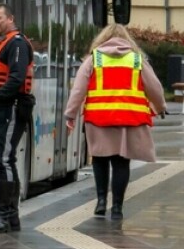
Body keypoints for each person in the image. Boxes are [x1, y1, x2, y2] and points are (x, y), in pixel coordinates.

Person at [64, 24, 167, 220]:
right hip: (128, 119)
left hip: (98, 118)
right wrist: (160, 107)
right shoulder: (137, 59)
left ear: (102, 39)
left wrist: (71, 114)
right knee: (121, 162)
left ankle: (101, 201)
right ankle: (118, 207)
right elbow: (154, 87)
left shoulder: (94, 59)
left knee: (100, 159)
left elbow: (78, 89)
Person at [0, 3, 35, 234]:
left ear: (10, 18)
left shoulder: (17, 44)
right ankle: (10, 217)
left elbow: (16, 78)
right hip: (0, 108)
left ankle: (4, 215)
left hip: (11, 107)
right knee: (4, 158)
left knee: (2, 159)